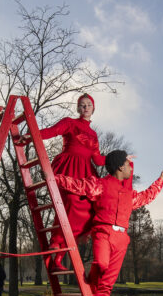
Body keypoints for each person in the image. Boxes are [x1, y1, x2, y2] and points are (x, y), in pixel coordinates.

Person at [55, 150, 163, 296]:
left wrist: (162, 179)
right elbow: (77, 185)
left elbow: (148, 196)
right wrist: (53, 178)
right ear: (120, 166)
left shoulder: (129, 194)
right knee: (101, 264)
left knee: (107, 285)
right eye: (127, 165)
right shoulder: (100, 185)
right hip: (103, 232)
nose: (129, 168)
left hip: (121, 239)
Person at [22, 94, 106, 272]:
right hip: (68, 167)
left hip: (85, 172)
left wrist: (119, 160)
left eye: (88, 105)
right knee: (71, 203)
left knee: (90, 211)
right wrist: (31, 136)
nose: (85, 108)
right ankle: (56, 244)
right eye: (82, 105)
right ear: (77, 108)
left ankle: (58, 256)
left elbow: (98, 160)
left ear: (93, 108)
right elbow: (51, 132)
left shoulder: (94, 134)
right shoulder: (70, 122)